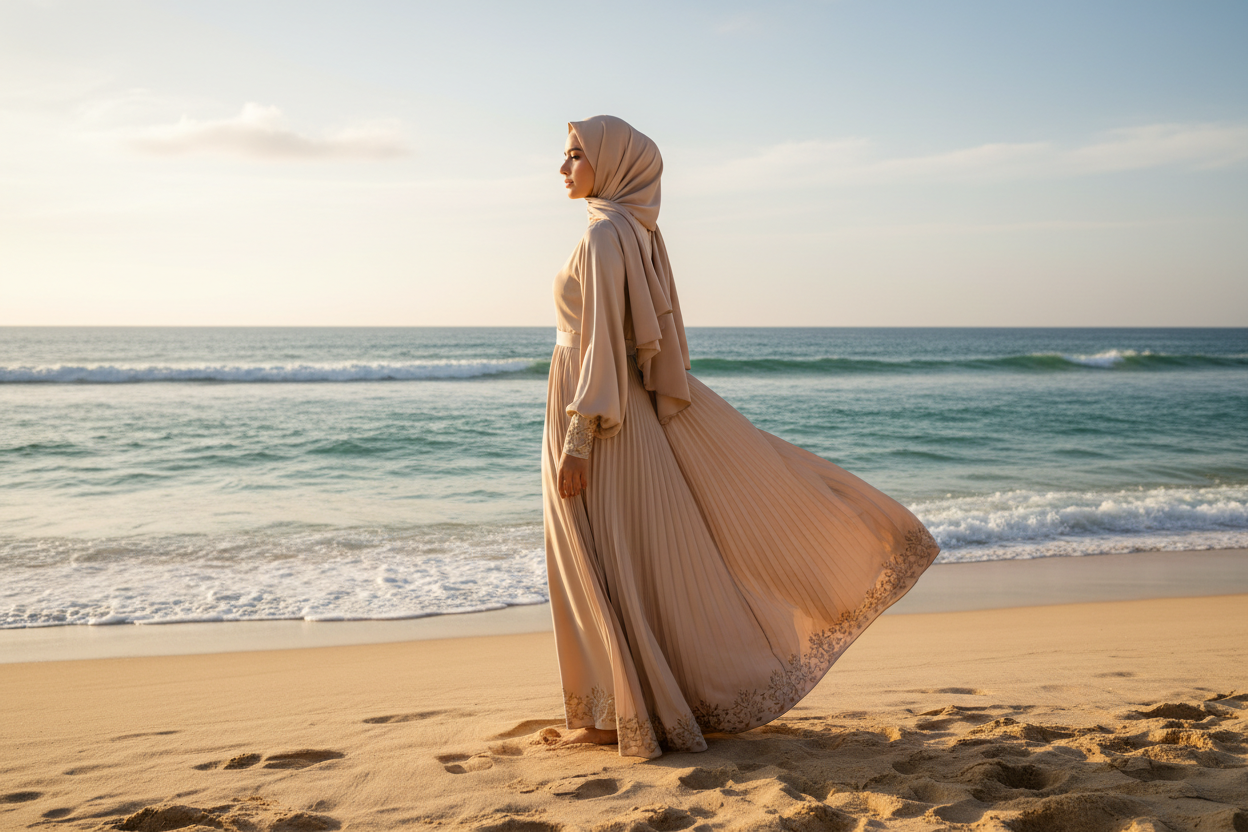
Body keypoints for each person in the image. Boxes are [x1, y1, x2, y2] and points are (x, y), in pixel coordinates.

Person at [543, 115, 940, 759]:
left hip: (599, 418)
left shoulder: (603, 234)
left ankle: (620, 712)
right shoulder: (638, 230)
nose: (562, 169)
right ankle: (634, 704)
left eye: (574, 156)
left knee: (599, 558)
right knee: (632, 562)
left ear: (612, 165)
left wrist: (577, 438)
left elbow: (600, 348)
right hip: (625, 415)